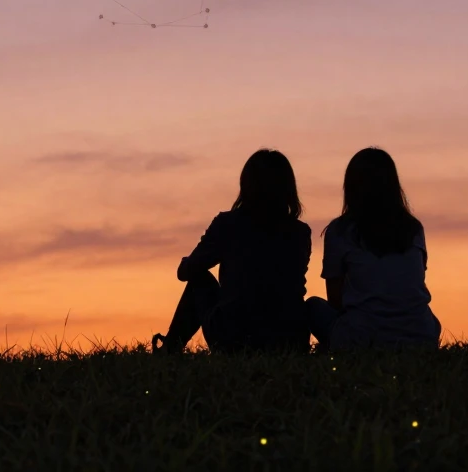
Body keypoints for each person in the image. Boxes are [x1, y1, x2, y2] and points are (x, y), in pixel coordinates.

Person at [152, 149, 312, 354]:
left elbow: (186, 272)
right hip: (289, 340)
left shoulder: (228, 224)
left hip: (234, 337)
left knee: (199, 280)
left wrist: (187, 261)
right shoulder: (300, 233)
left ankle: (170, 350)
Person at [307, 148, 441, 350]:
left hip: (361, 339)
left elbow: (335, 300)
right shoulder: (413, 229)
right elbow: (413, 284)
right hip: (421, 336)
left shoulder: (340, 231)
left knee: (312, 307)